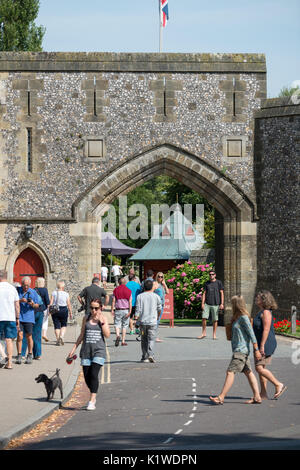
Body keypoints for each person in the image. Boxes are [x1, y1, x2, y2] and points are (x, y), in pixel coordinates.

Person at [209, 295, 262, 405]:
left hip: (241, 351)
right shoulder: (237, 317)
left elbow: (252, 334)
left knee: (230, 372)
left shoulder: (244, 317)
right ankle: (257, 397)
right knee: (248, 372)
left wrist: (256, 350)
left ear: (236, 305)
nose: (230, 305)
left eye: (232, 303)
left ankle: (221, 397)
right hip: (241, 350)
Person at [67, 298, 110, 411]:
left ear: (100, 308)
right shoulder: (86, 318)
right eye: (91, 308)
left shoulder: (103, 319)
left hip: (98, 351)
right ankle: (93, 391)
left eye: (96, 308)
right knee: (87, 377)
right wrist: (73, 349)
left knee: (94, 374)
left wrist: (102, 322)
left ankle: (92, 400)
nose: (93, 310)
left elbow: (107, 335)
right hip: (86, 351)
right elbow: (82, 335)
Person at [253, 290, 287, 400]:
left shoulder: (266, 312)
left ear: (263, 300)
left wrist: (262, 346)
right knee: (261, 367)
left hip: (266, 343)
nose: (256, 299)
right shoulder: (261, 311)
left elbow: (266, 330)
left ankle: (278, 384)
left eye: (258, 297)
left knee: (259, 368)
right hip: (260, 343)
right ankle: (263, 393)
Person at [135, 279, 161, 363]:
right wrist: (157, 316)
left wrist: (136, 320)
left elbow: (138, 310)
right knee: (151, 339)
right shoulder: (156, 296)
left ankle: (144, 356)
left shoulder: (139, 296)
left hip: (143, 322)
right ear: (152, 287)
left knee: (144, 339)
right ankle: (151, 354)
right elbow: (159, 308)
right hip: (152, 321)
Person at [16, 276, 41, 364]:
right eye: (24, 285)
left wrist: (33, 304)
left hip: (29, 318)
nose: (26, 287)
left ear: (30, 284)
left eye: (27, 285)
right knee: (19, 336)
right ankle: (19, 355)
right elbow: (13, 301)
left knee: (29, 336)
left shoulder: (33, 292)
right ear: (21, 284)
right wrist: (20, 300)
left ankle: (29, 354)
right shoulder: (17, 290)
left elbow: (38, 305)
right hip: (19, 316)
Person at [0, 270, 20, 369]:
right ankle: (10, 363)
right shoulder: (12, 289)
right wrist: (17, 318)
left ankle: (3, 355)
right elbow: (17, 305)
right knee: (9, 339)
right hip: (10, 317)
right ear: (6, 277)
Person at [198, 270, 224, 340]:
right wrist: (202, 303)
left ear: (215, 275)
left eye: (212, 274)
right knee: (204, 318)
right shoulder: (207, 283)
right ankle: (203, 333)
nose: (211, 275)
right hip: (207, 303)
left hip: (216, 303)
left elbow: (221, 293)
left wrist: (222, 303)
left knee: (215, 319)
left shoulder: (219, 283)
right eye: (210, 274)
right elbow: (204, 293)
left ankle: (214, 334)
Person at [49, 280, 73, 346]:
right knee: (63, 324)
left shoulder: (53, 293)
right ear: (63, 287)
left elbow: (51, 303)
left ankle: (57, 339)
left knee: (56, 325)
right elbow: (68, 304)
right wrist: (70, 312)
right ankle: (61, 337)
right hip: (63, 309)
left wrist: (49, 311)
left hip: (55, 309)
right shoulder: (66, 294)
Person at [111, 277, 132, 346]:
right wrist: (130, 311)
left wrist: (112, 309)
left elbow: (113, 301)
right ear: (125, 283)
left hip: (118, 310)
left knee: (117, 324)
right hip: (126, 310)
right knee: (124, 325)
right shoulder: (129, 291)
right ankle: (123, 341)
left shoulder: (116, 290)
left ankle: (117, 335)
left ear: (119, 283)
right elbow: (130, 302)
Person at [154, 272, 169, 343]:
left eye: (162, 277)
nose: (160, 278)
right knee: (156, 321)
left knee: (157, 321)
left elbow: (168, 292)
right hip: (157, 305)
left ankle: (154, 336)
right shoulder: (155, 284)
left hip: (162, 305)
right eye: (159, 276)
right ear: (156, 277)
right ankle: (154, 337)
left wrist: (165, 284)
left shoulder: (162, 285)